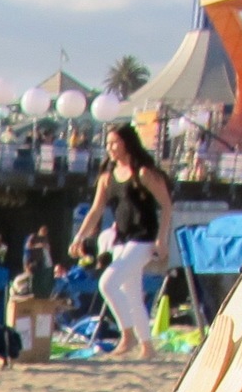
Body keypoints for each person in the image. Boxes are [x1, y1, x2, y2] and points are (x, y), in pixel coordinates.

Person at [71, 123, 174, 359]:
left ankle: (127, 336)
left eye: (114, 142)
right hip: (122, 239)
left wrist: (162, 239)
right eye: (107, 143)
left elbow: (167, 205)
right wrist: (80, 237)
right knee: (133, 295)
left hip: (144, 239)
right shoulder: (107, 177)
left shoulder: (144, 173)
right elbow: (96, 210)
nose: (110, 147)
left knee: (107, 283)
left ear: (127, 143)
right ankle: (147, 347)